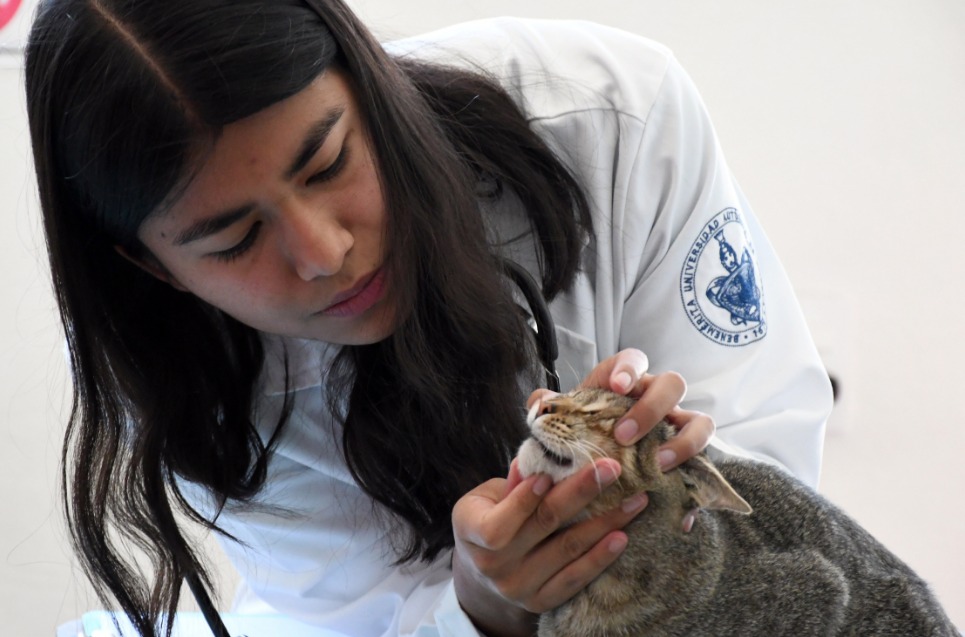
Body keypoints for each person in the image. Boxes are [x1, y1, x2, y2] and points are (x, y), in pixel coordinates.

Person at [24, 1, 833, 636]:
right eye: (235, 239)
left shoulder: (608, 115)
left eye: (330, 162)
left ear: (369, 79)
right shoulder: (175, 382)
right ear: (153, 265)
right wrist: (485, 605)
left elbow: (768, 457)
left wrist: (664, 478)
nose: (325, 250)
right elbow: (362, 615)